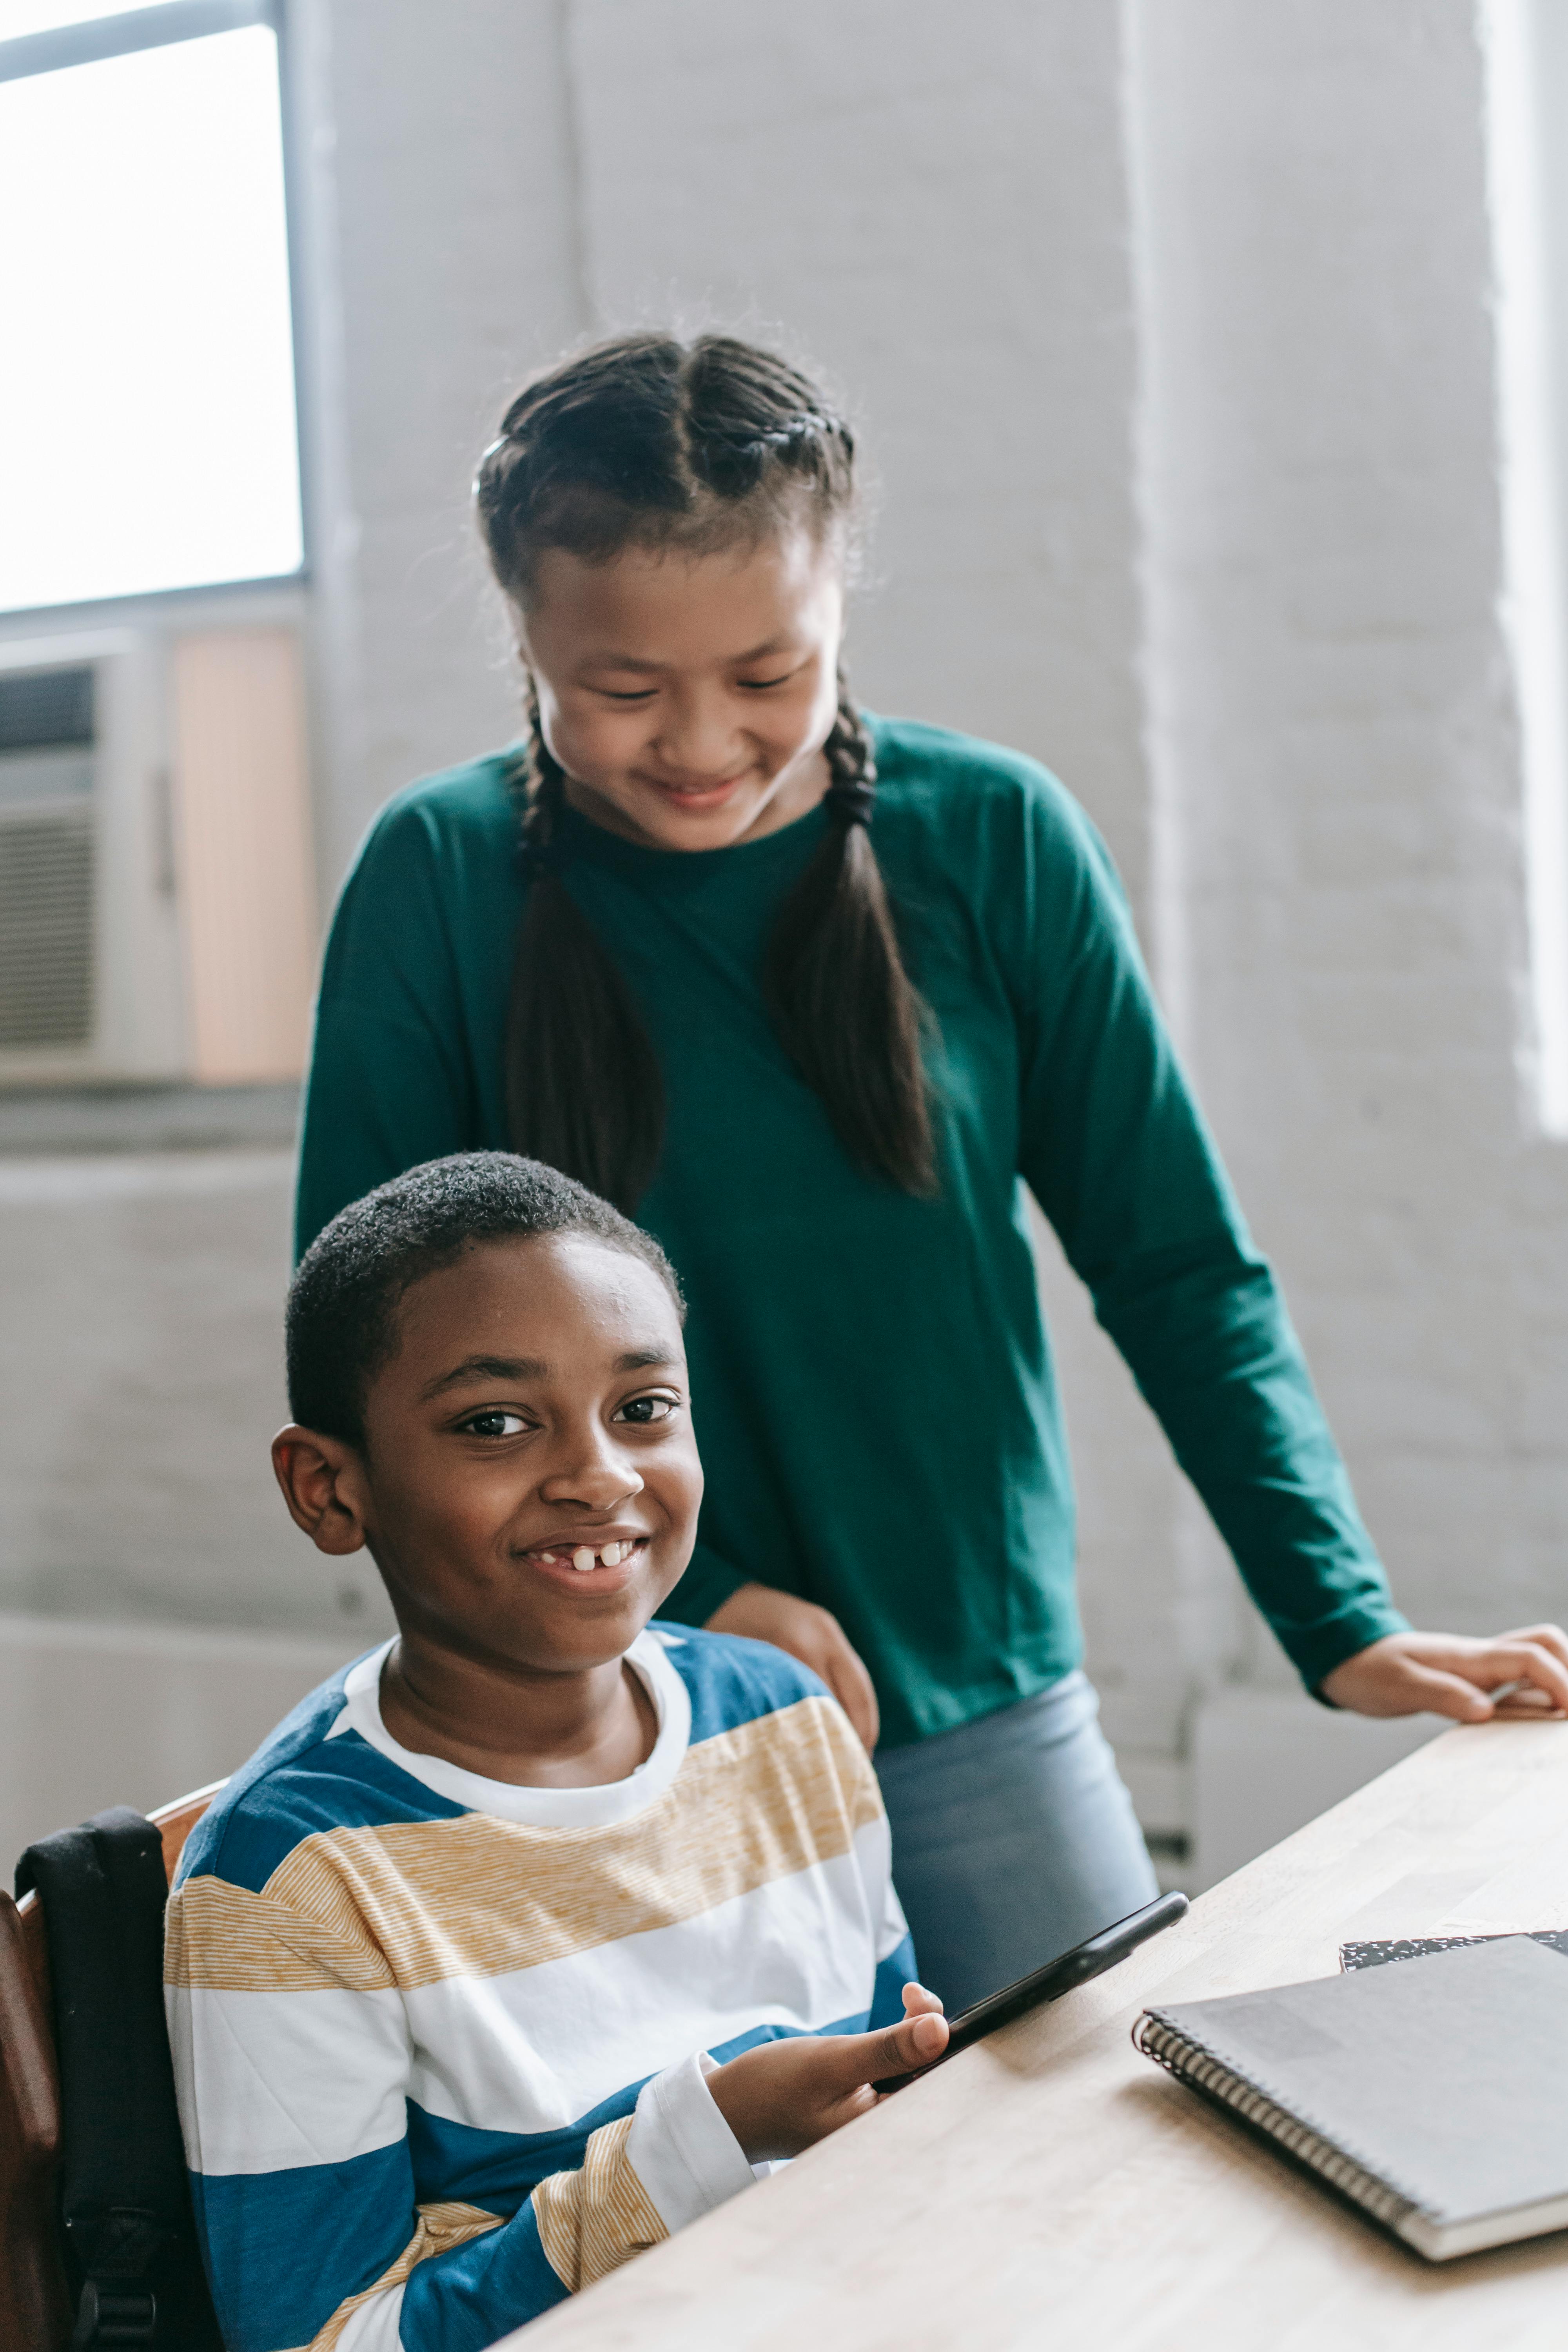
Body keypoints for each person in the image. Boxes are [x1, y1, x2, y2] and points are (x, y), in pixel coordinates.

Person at [294, 331, 1568, 2011]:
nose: (698, 743)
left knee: (1103, 2160)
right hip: (594, 1704)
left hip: (970, 1696)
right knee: (688, 2224)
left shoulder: (994, 837)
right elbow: (363, 1355)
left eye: (767, 676)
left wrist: (1335, 1617)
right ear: (523, 631)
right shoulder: (437, 876)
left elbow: (1180, 1270)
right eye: (619, 690)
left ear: (838, 612)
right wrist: (707, 1586)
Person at [165, 1153, 945, 2352]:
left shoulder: (782, 1720)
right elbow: (320, 2343)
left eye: (643, 1409)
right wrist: (698, 2149)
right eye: (496, 1424)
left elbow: (885, 2112)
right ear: (330, 1490)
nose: (599, 1474)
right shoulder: (291, 1882)